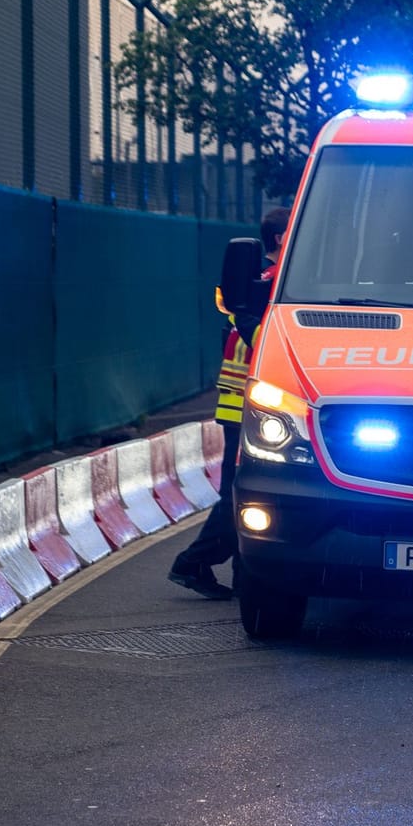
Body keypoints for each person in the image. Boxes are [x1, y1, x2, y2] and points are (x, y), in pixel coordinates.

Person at [169, 207, 290, 598]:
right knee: (240, 495)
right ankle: (193, 562)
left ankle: (243, 573)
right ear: (279, 238)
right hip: (248, 406)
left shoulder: (264, 283)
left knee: (243, 493)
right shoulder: (272, 285)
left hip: (245, 404)